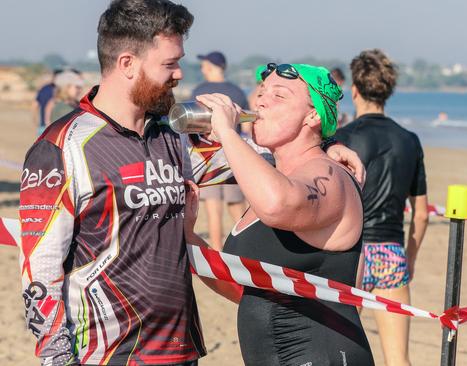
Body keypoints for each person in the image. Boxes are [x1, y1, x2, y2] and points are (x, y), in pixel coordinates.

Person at [19, 1, 365, 365]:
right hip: (105, 354)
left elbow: (271, 166)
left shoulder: (175, 137)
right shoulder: (63, 146)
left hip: (179, 351)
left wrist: (328, 146)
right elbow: (40, 271)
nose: (180, 74)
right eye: (170, 64)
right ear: (127, 64)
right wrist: (57, 358)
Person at [184, 62, 374, 365]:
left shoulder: (329, 174)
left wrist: (226, 133)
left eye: (279, 95)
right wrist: (189, 237)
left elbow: (278, 206)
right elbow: (244, 289)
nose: (261, 101)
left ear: (312, 115)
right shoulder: (277, 175)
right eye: (261, 92)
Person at [335, 49, 429, 366]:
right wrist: (410, 259)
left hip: (352, 254)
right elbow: (422, 214)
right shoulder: (409, 140)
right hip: (391, 251)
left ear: (354, 90)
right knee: (398, 359)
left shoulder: (341, 138)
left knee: (343, 353)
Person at [190, 50, 249, 248]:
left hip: (209, 158)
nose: (202, 69)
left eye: (203, 65)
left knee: (213, 212)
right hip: (236, 156)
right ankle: (245, 249)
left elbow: (191, 127)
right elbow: (247, 127)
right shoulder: (237, 91)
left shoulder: (201, 90)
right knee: (238, 211)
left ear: (210, 67)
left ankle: (218, 255)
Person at [32, 70, 59, 135]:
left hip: (42, 126)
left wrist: (36, 121)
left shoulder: (44, 88)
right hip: (55, 128)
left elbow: (34, 105)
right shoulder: (61, 92)